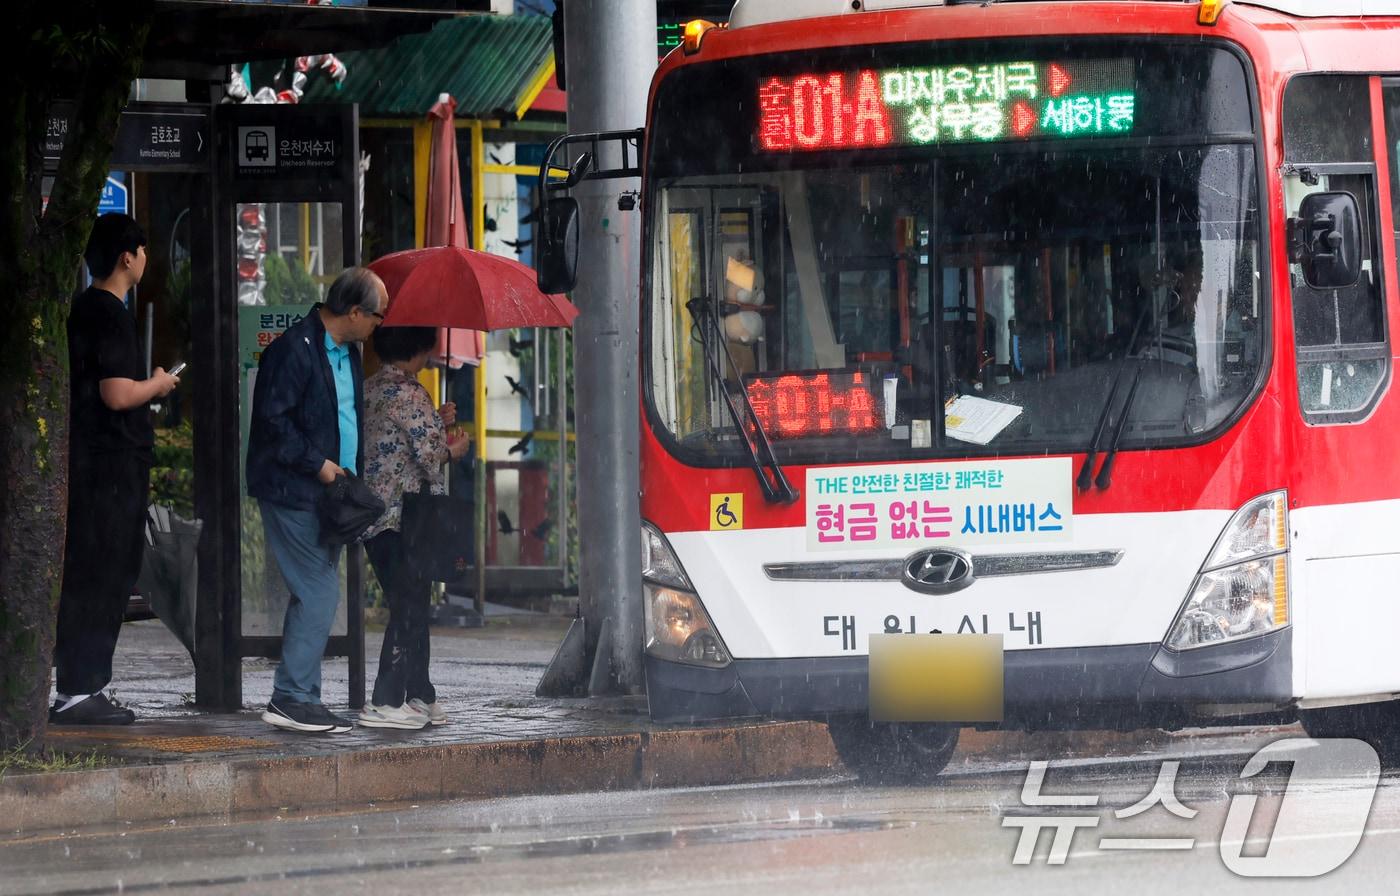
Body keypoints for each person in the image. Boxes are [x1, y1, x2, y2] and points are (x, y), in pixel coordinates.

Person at [52, 213, 181, 725]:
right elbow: (116, 392)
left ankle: (78, 686)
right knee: (106, 572)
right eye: (143, 250)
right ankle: (83, 689)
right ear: (127, 256)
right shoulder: (109, 312)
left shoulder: (84, 309)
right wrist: (159, 383)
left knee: (92, 571)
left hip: (92, 461)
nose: (147, 259)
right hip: (110, 467)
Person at [246, 267, 385, 733]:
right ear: (354, 311)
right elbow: (273, 422)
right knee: (321, 592)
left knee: (314, 592)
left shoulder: (345, 353)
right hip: (294, 489)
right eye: (377, 317)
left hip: (328, 495)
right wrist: (320, 464)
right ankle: (290, 696)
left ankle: (301, 695)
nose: (378, 326)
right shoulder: (294, 350)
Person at [358, 326, 471, 730]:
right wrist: (454, 448)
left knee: (412, 603)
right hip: (405, 518)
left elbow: (396, 436)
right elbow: (429, 456)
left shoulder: (370, 388)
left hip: (374, 518)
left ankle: (420, 693)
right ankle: (385, 701)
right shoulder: (410, 393)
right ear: (417, 351)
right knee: (409, 605)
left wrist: (433, 420)